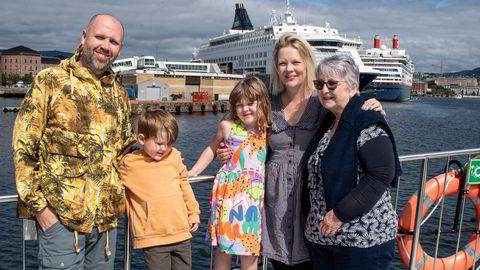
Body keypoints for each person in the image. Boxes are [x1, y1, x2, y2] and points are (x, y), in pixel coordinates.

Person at [217, 33, 383, 270]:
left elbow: (350, 108)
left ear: (307, 63)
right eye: (283, 63)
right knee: (280, 262)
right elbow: (235, 129)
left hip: (312, 201)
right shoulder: (267, 103)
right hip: (275, 202)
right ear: (276, 67)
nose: (289, 69)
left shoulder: (323, 99)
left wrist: (374, 105)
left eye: (295, 62)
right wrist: (224, 151)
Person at [12, 14, 135, 269]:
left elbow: (123, 152)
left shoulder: (118, 93)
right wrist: (42, 211)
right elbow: (24, 148)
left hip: (105, 224)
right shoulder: (50, 81)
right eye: (99, 37)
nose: (105, 45)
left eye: (113, 41)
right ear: (84, 37)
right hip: (61, 221)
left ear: (119, 49)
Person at [301, 54, 401, 269]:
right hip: (324, 240)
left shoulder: (367, 120)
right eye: (319, 84)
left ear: (353, 87)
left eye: (332, 84)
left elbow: (382, 173)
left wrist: (338, 215)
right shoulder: (328, 121)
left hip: (360, 239)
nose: (324, 90)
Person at [189, 76, 271, 270]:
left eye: (250, 103)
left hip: (253, 197)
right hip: (229, 195)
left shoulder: (268, 129)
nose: (245, 109)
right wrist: (194, 170)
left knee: (249, 250)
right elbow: (211, 148)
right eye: (239, 105)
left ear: (262, 102)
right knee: (224, 249)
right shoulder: (227, 126)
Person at [120, 109, 200, 270]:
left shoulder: (174, 157)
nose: (164, 148)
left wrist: (193, 213)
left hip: (182, 232)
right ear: (142, 139)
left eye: (169, 143)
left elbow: (184, 185)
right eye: (159, 143)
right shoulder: (129, 164)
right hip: (153, 238)